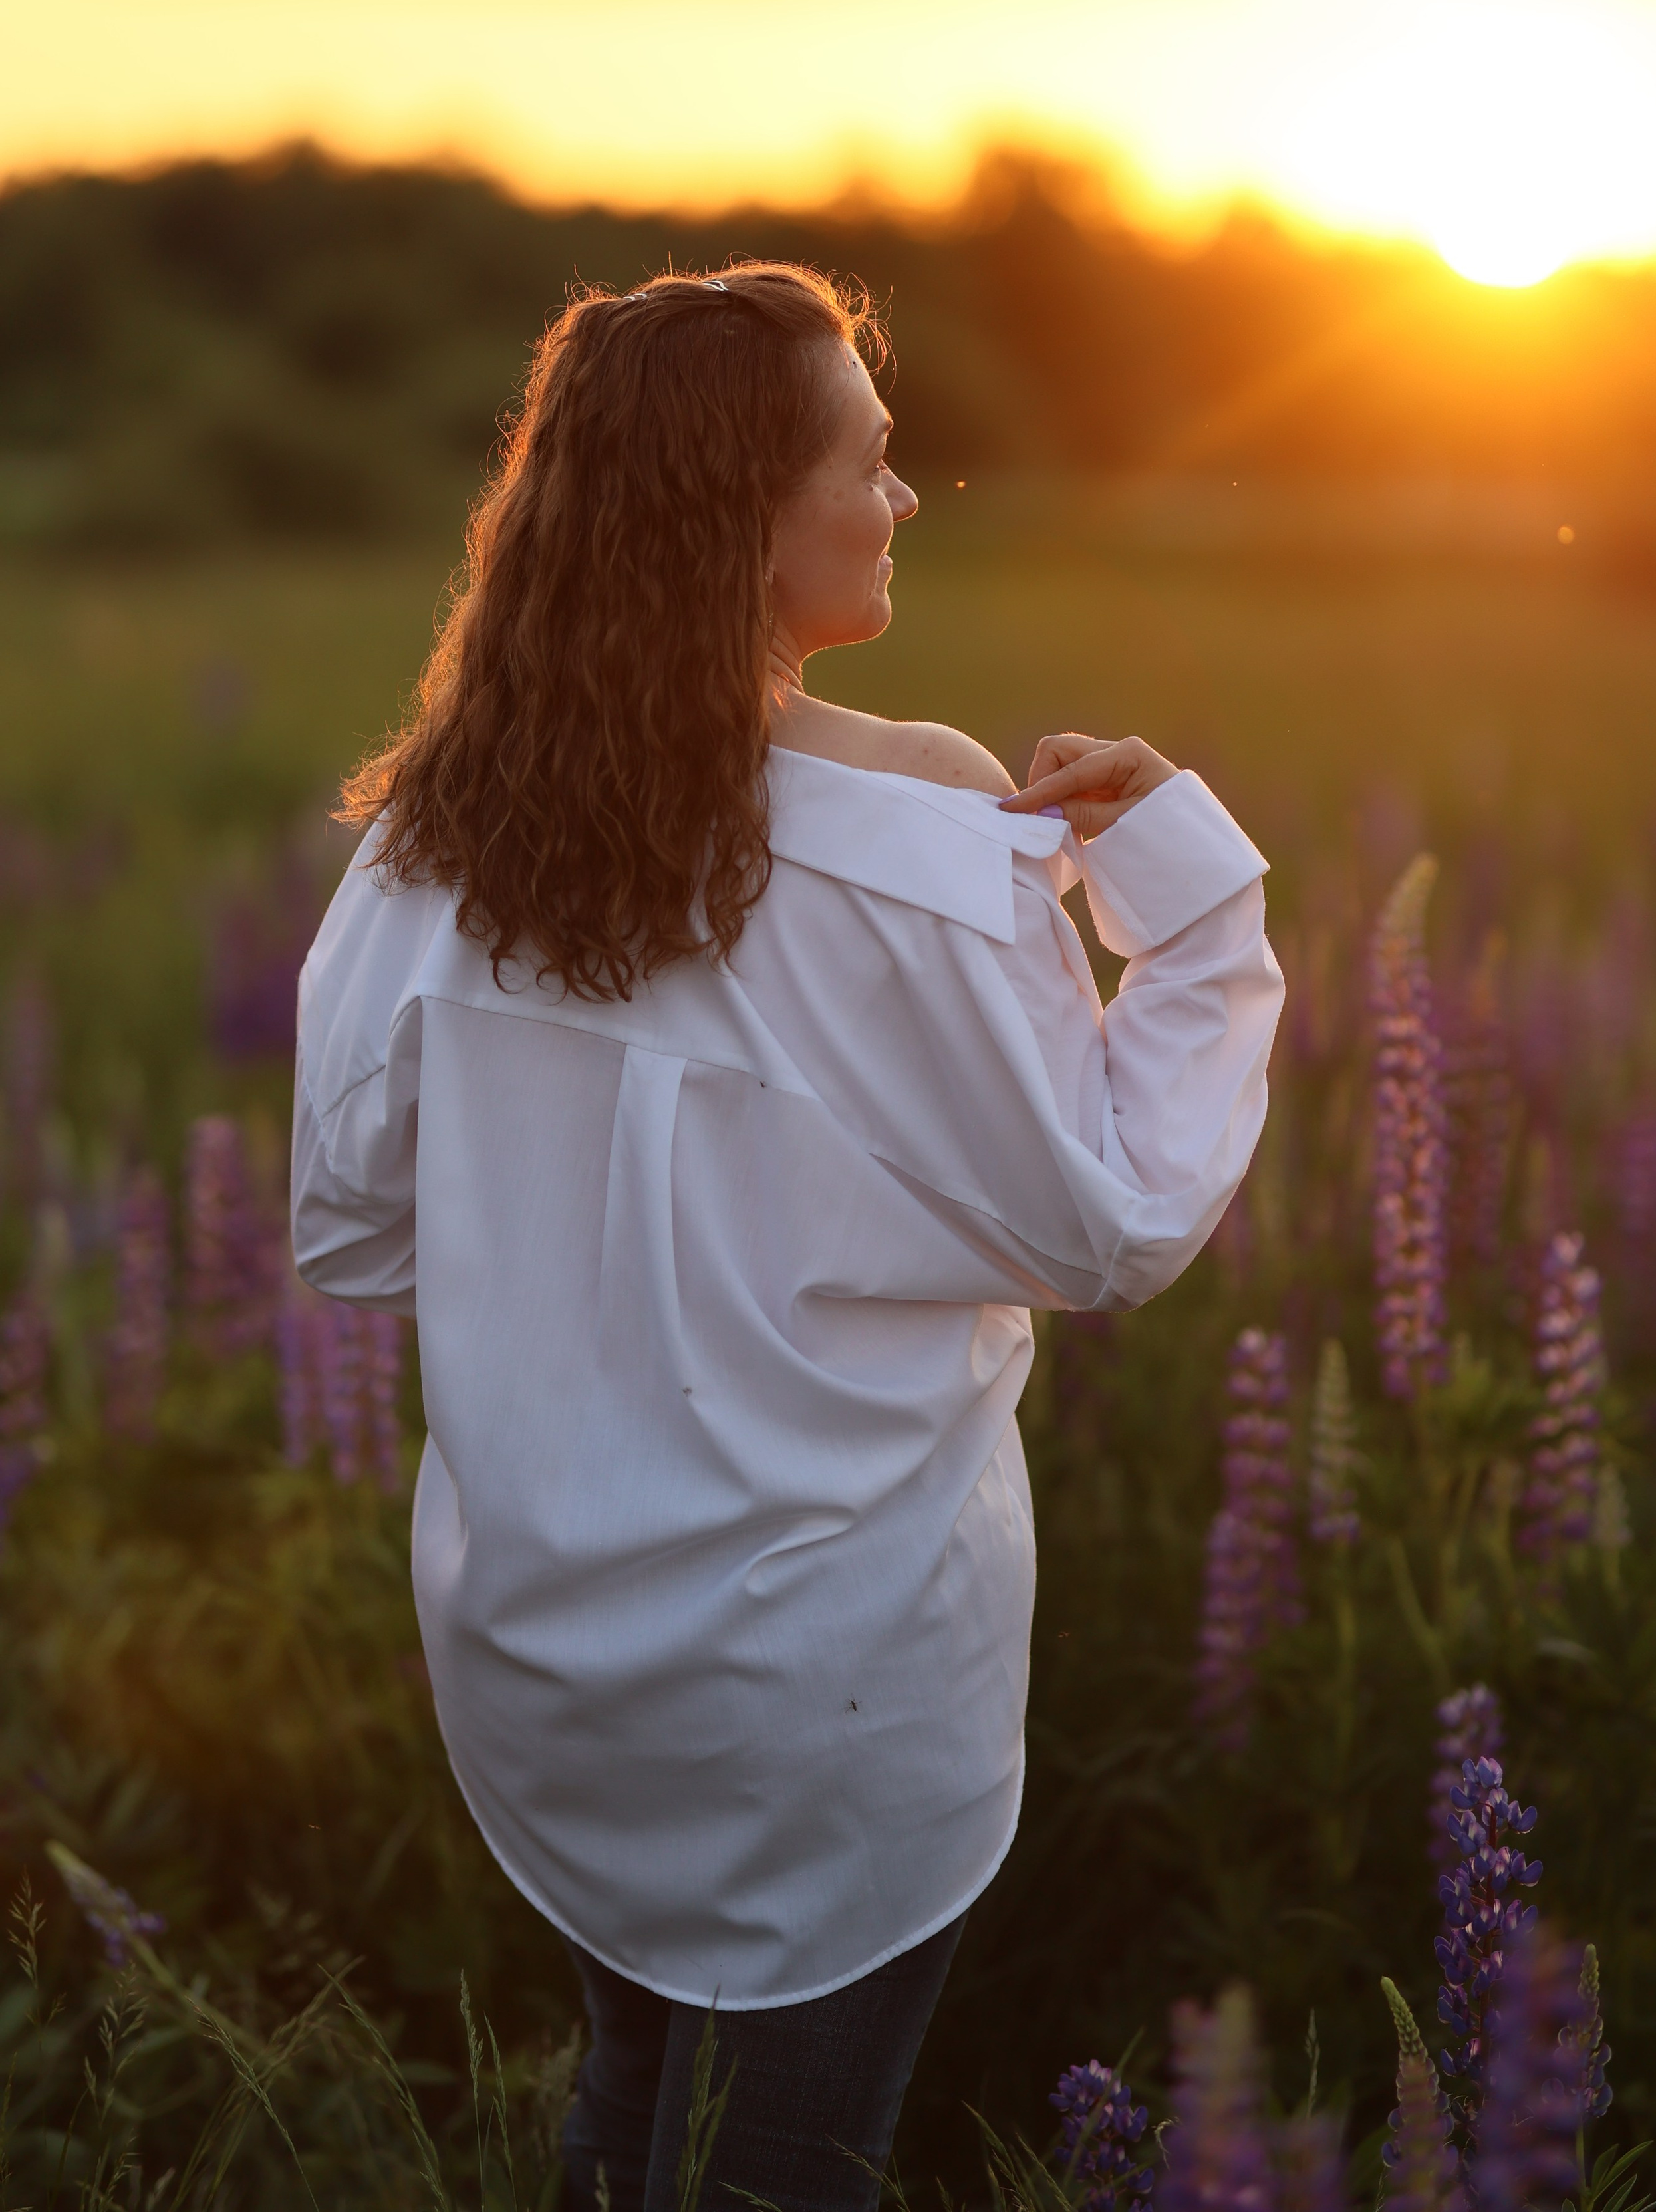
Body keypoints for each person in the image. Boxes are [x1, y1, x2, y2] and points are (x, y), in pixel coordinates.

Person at [290, 263, 1283, 2211]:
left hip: (551, 1649)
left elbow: (349, 1227)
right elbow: (1111, 1225)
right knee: (781, 2176)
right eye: (874, 464)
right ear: (749, 513)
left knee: (629, 2094)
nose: (905, 500)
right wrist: (1180, 887)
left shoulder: (436, 843)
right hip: (833, 1661)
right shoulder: (915, 825)